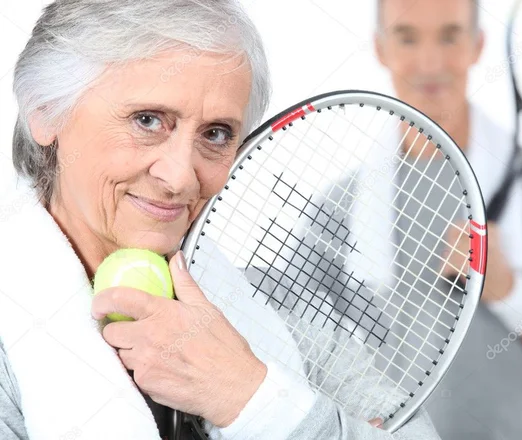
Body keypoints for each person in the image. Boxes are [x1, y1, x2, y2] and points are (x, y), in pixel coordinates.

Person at [0, 1, 442, 439]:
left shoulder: (276, 307)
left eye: (215, 134)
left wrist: (250, 399)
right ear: (44, 111)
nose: (178, 177)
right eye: (147, 120)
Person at [303, 0, 522, 439]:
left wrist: (514, 294)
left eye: (450, 35)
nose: (431, 61)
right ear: (380, 48)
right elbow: (299, 367)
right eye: (407, 36)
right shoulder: (334, 210)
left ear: (477, 46)